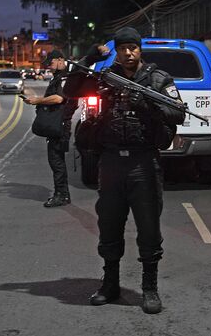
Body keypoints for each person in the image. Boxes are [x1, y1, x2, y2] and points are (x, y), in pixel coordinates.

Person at [72, 27, 184, 314]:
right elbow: (71, 90)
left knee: (148, 228)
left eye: (133, 47)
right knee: (109, 226)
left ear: (140, 49)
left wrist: (147, 105)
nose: (128, 53)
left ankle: (149, 289)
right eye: (123, 48)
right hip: (110, 163)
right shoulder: (106, 78)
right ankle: (110, 285)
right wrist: (88, 58)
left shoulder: (158, 79)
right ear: (118, 51)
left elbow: (178, 113)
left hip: (143, 163)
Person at [24, 50, 78, 207]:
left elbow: (59, 98)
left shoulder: (65, 77)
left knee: (56, 161)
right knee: (56, 160)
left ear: (61, 59)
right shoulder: (59, 77)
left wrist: (38, 100)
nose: (49, 65)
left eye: (51, 62)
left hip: (60, 124)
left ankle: (61, 195)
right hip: (57, 123)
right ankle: (62, 194)